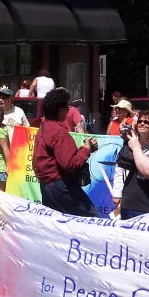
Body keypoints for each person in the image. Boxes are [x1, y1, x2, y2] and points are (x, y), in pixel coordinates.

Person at [33, 87, 98, 216]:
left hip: (47, 185)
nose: (69, 110)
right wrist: (86, 149)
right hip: (59, 185)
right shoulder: (59, 132)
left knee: (57, 225)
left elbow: (62, 157)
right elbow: (69, 163)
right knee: (93, 219)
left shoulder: (44, 127)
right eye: (67, 107)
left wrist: (84, 149)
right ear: (61, 110)